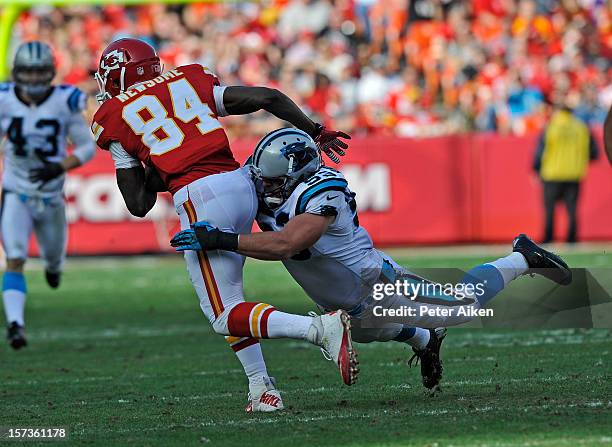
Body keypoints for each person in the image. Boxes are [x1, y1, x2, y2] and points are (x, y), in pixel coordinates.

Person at [170, 128, 573, 392]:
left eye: (274, 180)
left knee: (461, 303)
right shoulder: (264, 182)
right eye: (263, 178)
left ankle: (522, 256)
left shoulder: (322, 191)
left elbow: (288, 244)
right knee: (366, 333)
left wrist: (223, 237)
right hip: (339, 298)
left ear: (299, 172)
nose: (265, 186)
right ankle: (425, 339)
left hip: (376, 282)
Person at [90, 38, 354, 413]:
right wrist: (314, 129)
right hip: (241, 183)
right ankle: (261, 388)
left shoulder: (113, 116)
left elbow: (138, 204)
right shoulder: (188, 80)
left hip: (200, 196)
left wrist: (148, 157)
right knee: (229, 301)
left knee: (222, 314)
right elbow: (268, 96)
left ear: (117, 75)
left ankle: (318, 330)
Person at [0, 41, 96, 350]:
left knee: (53, 259)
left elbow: (86, 146)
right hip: (16, 190)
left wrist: (59, 167)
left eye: (39, 71)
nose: (33, 78)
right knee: (14, 257)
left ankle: (53, 268)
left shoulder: (63, 100)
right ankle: (16, 324)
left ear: (51, 73)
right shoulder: (4, 99)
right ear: (16, 72)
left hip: (52, 195)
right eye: (27, 72)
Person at [533, 104, 600, 243]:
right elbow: (594, 153)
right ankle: (572, 239)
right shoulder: (581, 127)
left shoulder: (551, 127)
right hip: (574, 174)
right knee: (572, 209)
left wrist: (536, 169)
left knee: (550, 209)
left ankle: (548, 238)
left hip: (552, 173)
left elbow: (540, 151)